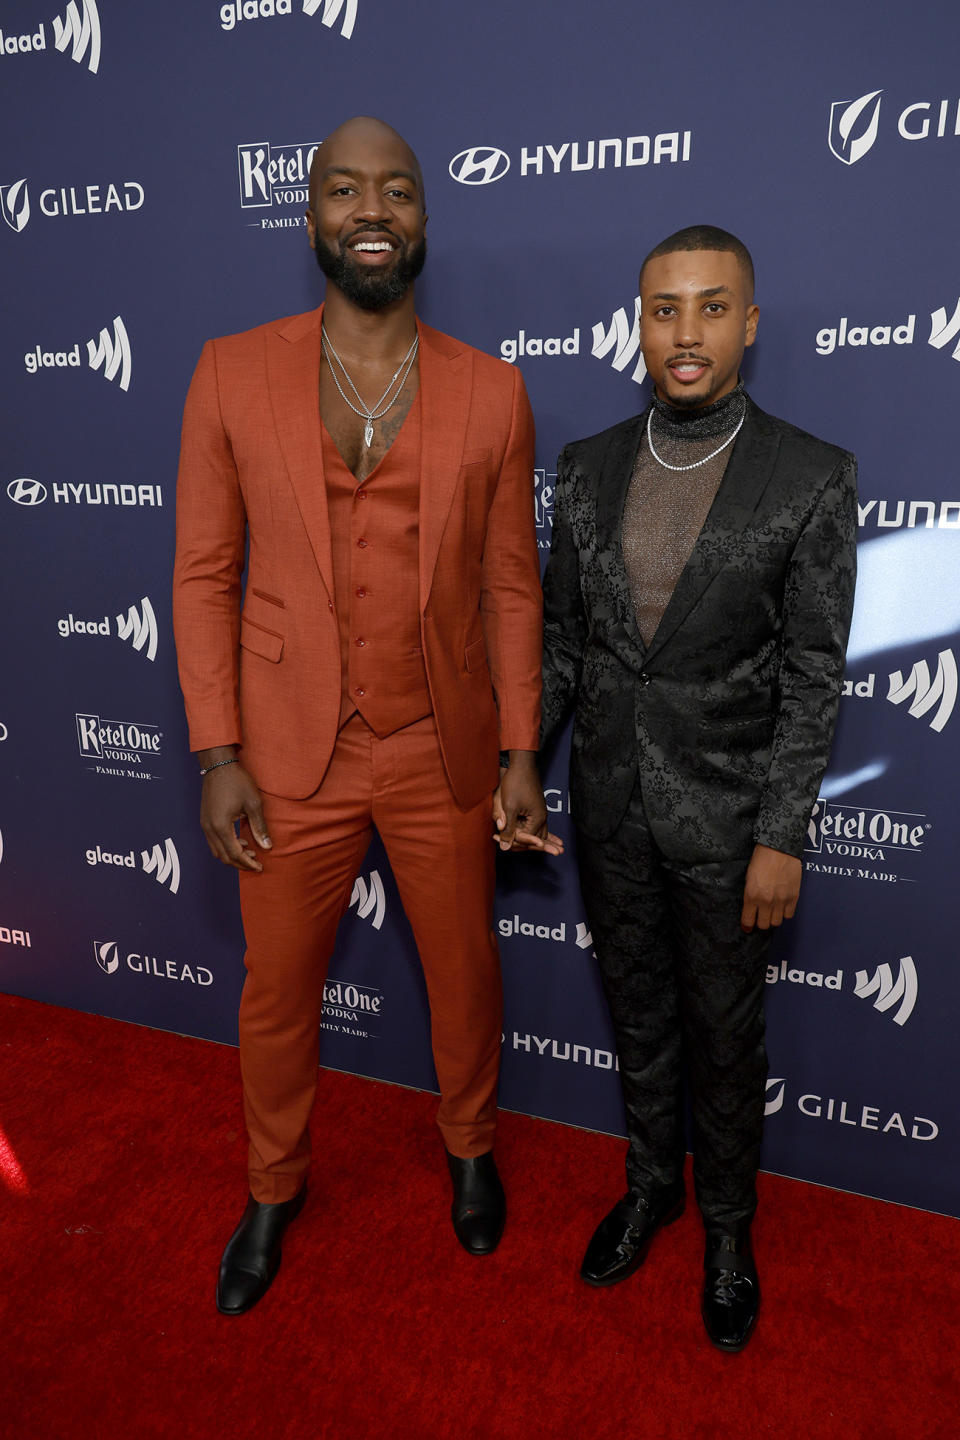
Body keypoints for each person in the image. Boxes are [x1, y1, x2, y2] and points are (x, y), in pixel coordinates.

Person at [173, 115, 557, 1316]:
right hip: (289, 755)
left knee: (465, 973)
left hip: (437, 746)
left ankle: (471, 1146)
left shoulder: (493, 392)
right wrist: (217, 750)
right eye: (346, 190)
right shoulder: (229, 370)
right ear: (313, 218)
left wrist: (518, 753)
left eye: (395, 189)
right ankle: (273, 1185)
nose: (372, 210)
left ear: (425, 219)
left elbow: (510, 585)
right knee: (277, 991)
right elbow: (202, 574)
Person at [540, 225, 857, 1351]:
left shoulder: (812, 476)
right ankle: (649, 1191)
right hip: (611, 804)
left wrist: (783, 835)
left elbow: (816, 676)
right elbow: (563, 645)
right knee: (638, 1018)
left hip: (730, 828)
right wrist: (524, 766)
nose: (686, 334)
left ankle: (727, 1232)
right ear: (640, 322)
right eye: (665, 309)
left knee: (726, 1038)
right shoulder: (585, 468)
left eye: (712, 308)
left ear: (750, 324)